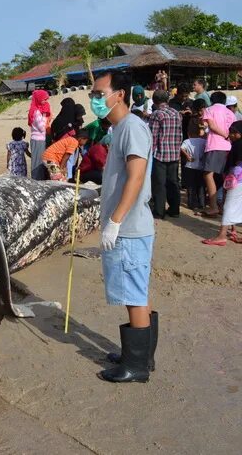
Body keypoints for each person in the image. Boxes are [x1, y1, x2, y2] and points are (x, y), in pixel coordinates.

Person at [89, 70, 156, 384]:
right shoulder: (118, 129)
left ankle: (137, 367)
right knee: (137, 290)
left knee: (134, 295)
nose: (94, 99)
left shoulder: (132, 127)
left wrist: (114, 222)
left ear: (119, 94)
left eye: (99, 93)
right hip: (126, 225)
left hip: (129, 227)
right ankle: (140, 355)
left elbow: (137, 177)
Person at [202, 121, 242, 246]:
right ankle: (233, 230)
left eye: (233, 133)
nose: (229, 135)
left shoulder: (238, 145)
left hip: (237, 179)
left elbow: (233, 163)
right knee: (237, 205)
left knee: (229, 205)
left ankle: (222, 235)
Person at [199, 91, 236, 217]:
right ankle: (226, 206)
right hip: (229, 146)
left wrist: (224, 135)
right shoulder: (230, 113)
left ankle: (214, 206)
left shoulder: (209, 110)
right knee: (228, 177)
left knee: (208, 174)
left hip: (215, 145)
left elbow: (212, 126)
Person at [148, 89, 183, 219]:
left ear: (155, 101)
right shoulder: (176, 113)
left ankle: (159, 211)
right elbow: (180, 134)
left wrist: (149, 154)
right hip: (174, 153)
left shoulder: (157, 114)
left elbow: (153, 136)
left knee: (159, 183)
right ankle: (174, 209)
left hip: (160, 154)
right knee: (173, 182)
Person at [181, 127, 207, 210]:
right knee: (201, 186)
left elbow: (181, 148)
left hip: (190, 166)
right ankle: (202, 203)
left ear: (189, 133)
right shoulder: (203, 141)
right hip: (201, 167)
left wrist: (187, 156)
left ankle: (192, 204)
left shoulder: (187, 141)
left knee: (191, 186)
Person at [28, 89, 51, 180]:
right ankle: (36, 180)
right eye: (44, 99)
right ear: (38, 99)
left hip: (39, 139)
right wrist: (45, 117)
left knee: (40, 161)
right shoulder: (36, 112)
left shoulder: (37, 111)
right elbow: (41, 128)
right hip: (38, 140)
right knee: (37, 162)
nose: (45, 101)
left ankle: (38, 179)